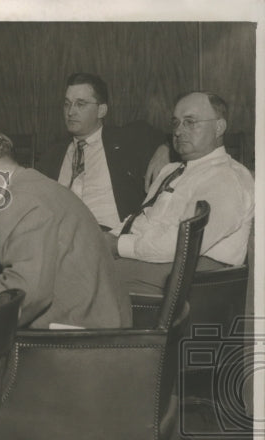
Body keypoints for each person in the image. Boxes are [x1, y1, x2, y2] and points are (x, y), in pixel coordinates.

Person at [0, 129, 132, 329]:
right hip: (97, 329)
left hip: (78, 341)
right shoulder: (38, 187)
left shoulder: (18, 201)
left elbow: (24, 292)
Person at [106, 92, 254, 295]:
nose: (178, 131)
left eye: (190, 122)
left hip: (192, 276)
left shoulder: (227, 178)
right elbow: (141, 220)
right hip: (151, 260)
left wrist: (117, 246)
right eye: (175, 123)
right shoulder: (171, 170)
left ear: (219, 127)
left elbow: (181, 243)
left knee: (84, 277)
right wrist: (105, 238)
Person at [37, 73, 169, 229]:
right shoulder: (52, 154)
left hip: (110, 237)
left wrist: (164, 148)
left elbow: (176, 138)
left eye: (80, 104)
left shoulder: (128, 140)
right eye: (67, 104)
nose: (70, 112)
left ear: (101, 110)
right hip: (61, 235)